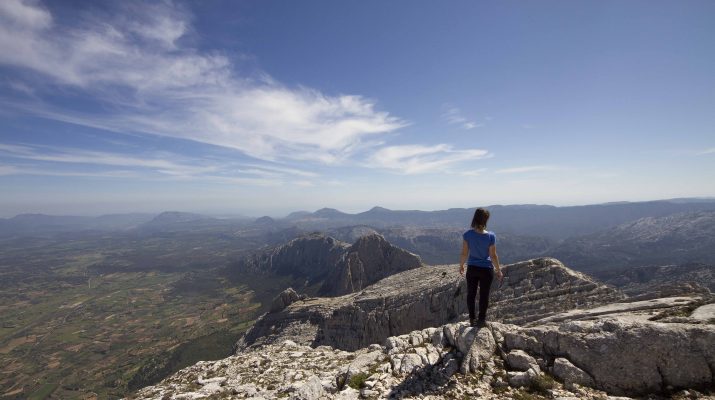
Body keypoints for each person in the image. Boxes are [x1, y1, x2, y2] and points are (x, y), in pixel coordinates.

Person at [459, 207, 503, 327]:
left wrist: (461, 265)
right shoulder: (491, 236)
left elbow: (464, 253)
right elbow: (493, 255)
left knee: (471, 294)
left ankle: (472, 319)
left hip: (472, 268)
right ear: (485, 220)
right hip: (486, 270)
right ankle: (481, 320)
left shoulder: (467, 235)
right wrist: (498, 270)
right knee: (484, 295)